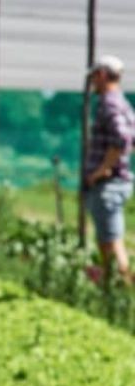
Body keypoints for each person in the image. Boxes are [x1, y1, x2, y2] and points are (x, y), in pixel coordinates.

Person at [84, 54, 135, 285]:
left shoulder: (110, 103)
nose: (92, 82)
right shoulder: (123, 103)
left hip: (109, 183)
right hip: (116, 180)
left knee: (111, 242)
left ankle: (122, 292)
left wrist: (102, 170)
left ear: (103, 75)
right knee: (109, 240)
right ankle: (112, 288)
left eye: (94, 76)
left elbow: (123, 140)